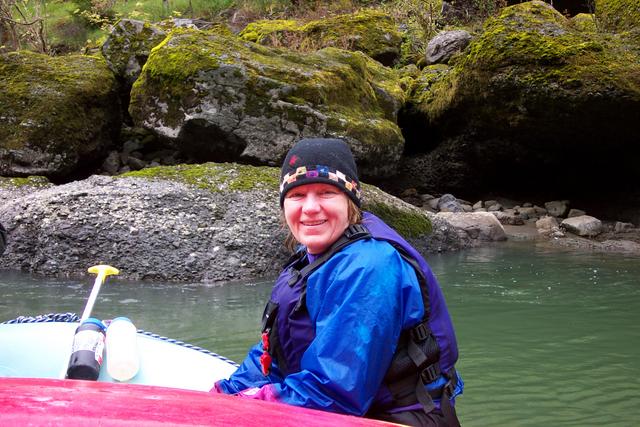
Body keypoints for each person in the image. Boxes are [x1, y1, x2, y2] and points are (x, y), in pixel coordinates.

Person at [213, 138, 463, 426]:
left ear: (350, 201)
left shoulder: (369, 266)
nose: (310, 208)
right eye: (297, 196)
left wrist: (248, 405)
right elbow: (272, 353)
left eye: (326, 193)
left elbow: (334, 391)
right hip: (339, 409)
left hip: (395, 419)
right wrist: (225, 393)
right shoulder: (310, 257)